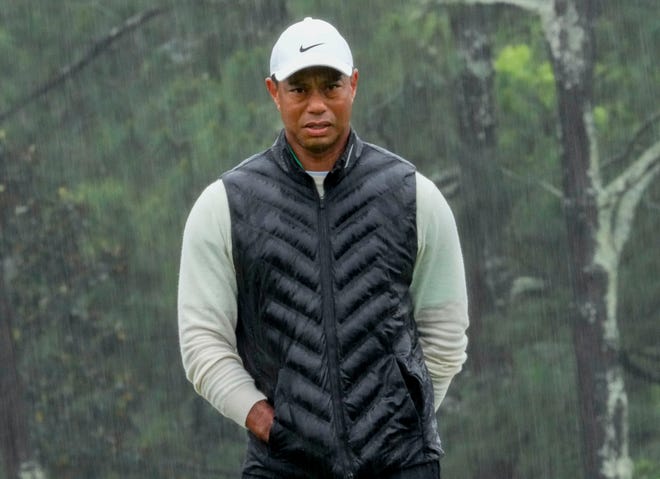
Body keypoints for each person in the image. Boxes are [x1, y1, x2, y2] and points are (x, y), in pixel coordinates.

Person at [178, 17, 469, 479]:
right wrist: (268, 425)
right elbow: (202, 342)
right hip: (282, 467)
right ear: (274, 92)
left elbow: (446, 332)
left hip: (402, 467)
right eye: (299, 89)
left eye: (331, 86)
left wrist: (398, 423)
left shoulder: (414, 195)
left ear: (353, 85)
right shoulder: (224, 206)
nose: (317, 104)